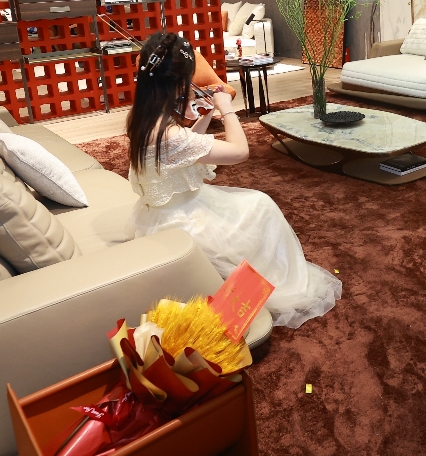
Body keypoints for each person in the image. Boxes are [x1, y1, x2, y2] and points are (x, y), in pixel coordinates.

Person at [126, 32, 341, 329]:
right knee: (261, 205)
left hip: (160, 211)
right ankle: (278, 281)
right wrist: (226, 108)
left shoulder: (141, 117)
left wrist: (206, 114)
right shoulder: (169, 134)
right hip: (182, 221)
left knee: (250, 203)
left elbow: (183, 152)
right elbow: (240, 152)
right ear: (177, 84)